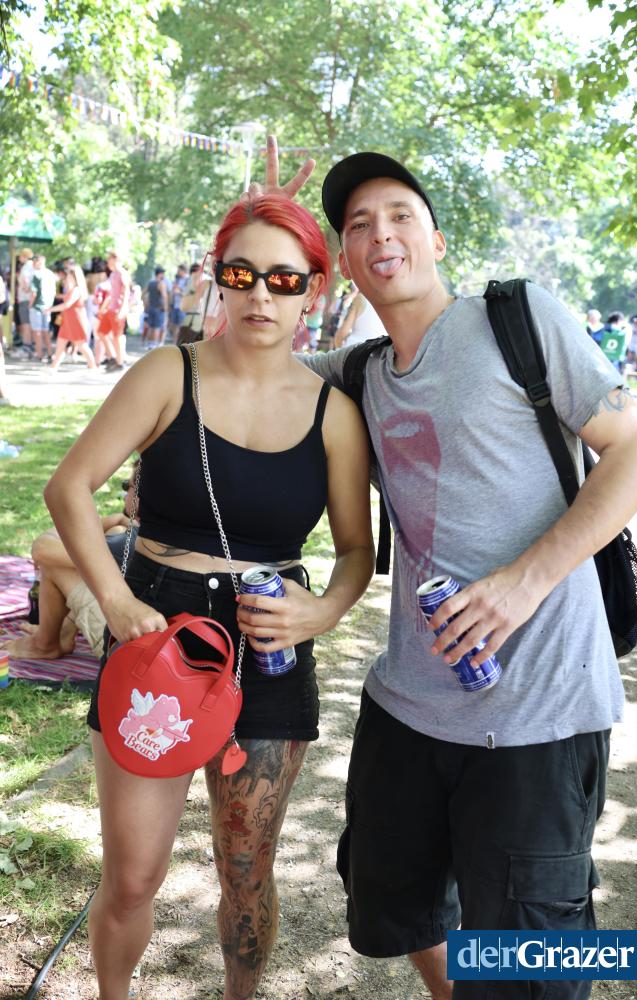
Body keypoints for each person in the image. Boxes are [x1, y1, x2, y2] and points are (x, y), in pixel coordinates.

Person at [271, 146, 637, 1000]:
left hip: (539, 712)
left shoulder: (515, 318)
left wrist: (523, 582)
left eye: (400, 216)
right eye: (358, 226)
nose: (381, 234)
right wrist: (266, 238)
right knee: (394, 903)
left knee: (532, 954)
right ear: (344, 263)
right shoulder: (358, 373)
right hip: (408, 706)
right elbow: (243, 366)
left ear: (437, 240)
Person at [43, 185, 375, 1000]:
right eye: (241, 273)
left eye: (284, 279)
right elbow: (70, 488)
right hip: (156, 636)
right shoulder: (169, 373)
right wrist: (115, 601)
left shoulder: (334, 415)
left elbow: (355, 552)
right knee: (132, 875)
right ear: (217, 277)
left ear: (314, 289)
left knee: (246, 872)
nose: (261, 294)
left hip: (268, 650)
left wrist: (321, 611)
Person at [1, 474, 138, 662]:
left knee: (54, 562)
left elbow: (42, 549)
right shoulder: (152, 537)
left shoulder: (129, 541)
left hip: (126, 648)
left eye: (127, 486)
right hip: (147, 639)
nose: (124, 494)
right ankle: (64, 632)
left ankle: (43, 645)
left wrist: (112, 519)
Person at [45, 265, 97, 372]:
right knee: (60, 345)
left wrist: (50, 309)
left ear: (74, 277)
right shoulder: (72, 290)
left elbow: (67, 305)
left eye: (69, 275)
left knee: (81, 345)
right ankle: (53, 367)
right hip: (68, 321)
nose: (67, 277)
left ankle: (93, 366)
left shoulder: (77, 290)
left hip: (75, 321)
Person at [29, 254, 57, 362]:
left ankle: (39, 354)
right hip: (48, 306)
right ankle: (49, 353)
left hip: (37, 306)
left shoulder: (36, 274)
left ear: (38, 262)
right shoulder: (50, 274)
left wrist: (30, 304)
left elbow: (34, 293)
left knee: (37, 331)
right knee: (45, 331)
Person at [105, 251, 131, 370]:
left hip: (118, 309)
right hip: (111, 309)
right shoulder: (113, 274)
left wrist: (123, 309)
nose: (108, 261)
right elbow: (112, 293)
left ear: (115, 259)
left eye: (109, 258)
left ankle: (120, 363)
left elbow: (126, 292)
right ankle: (113, 357)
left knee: (118, 336)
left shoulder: (122, 273)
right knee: (102, 333)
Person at [143, 265, 169, 348]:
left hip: (150, 308)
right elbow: (164, 297)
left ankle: (150, 344)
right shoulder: (161, 284)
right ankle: (154, 344)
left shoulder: (150, 283)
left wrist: (145, 304)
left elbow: (143, 294)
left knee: (151, 327)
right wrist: (166, 307)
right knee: (157, 327)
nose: (163, 275)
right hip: (159, 309)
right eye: (163, 273)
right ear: (159, 274)